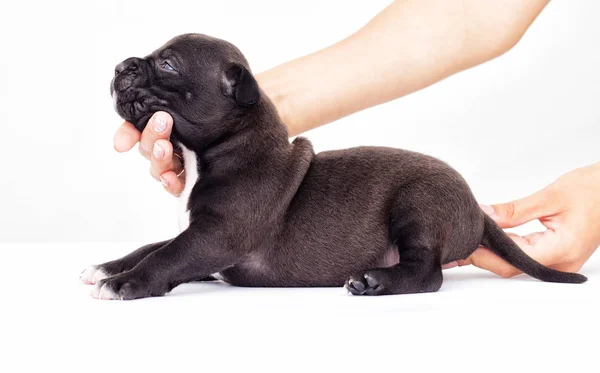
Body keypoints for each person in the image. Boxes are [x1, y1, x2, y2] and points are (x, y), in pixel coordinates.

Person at [112, 0, 599, 278]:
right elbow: (473, 12)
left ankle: (416, 271)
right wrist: (257, 108)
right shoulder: (244, 148)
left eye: (169, 67)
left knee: (423, 192)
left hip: (419, 199)